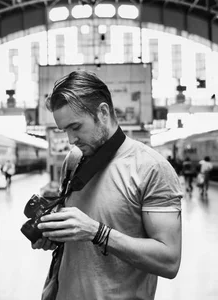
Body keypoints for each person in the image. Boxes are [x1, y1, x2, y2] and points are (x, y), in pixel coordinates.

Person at [33, 70, 183, 300]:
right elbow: (80, 239)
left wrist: (98, 232)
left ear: (102, 112)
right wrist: (55, 238)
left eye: (76, 127)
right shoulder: (74, 160)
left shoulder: (151, 168)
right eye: (65, 131)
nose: (71, 140)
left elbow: (169, 261)